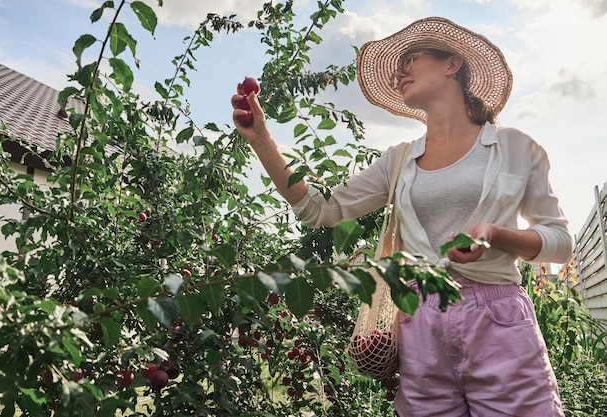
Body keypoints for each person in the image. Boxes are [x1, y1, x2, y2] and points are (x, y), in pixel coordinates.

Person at [231, 16, 572, 417]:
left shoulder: (515, 148)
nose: (399, 71)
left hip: (496, 318)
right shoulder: (399, 161)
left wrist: (495, 234)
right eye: (397, 65)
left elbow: (559, 242)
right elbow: (320, 209)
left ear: (452, 64)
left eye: (411, 57)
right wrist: (263, 141)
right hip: (419, 322)